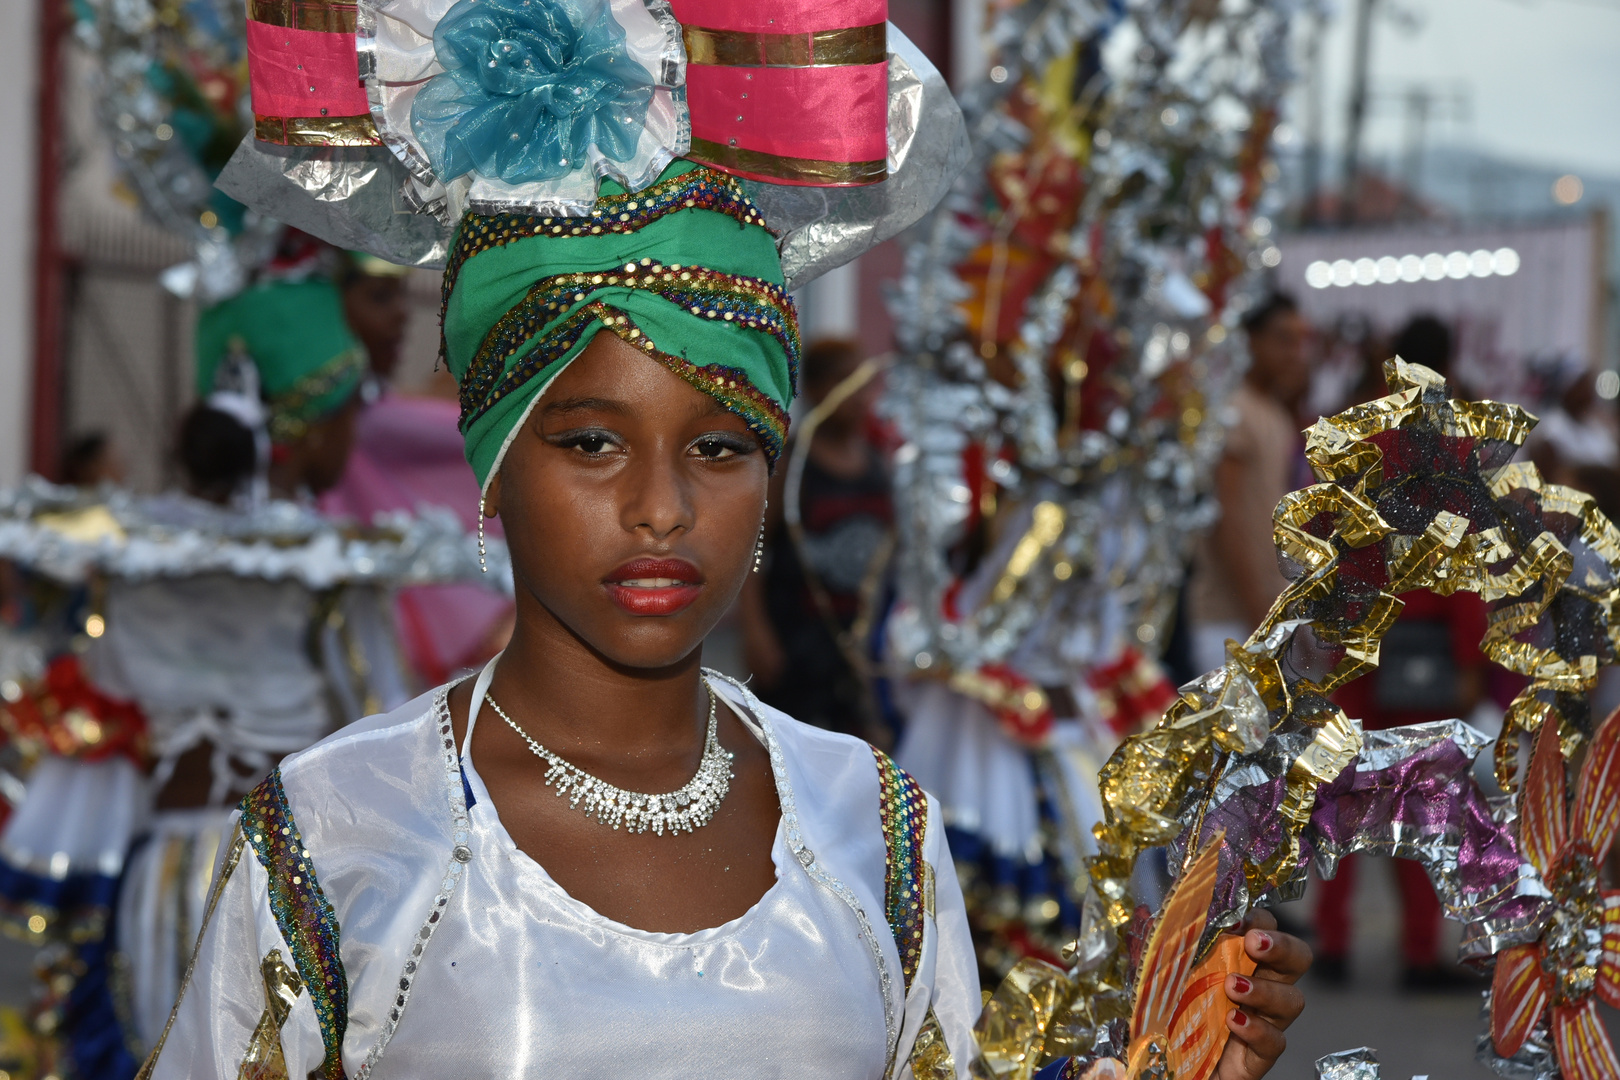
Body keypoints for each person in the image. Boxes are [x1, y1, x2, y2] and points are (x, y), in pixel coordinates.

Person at [138, 154, 1306, 1077]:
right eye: (591, 443)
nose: (660, 508)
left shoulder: (873, 824)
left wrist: (1178, 1056)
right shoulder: (345, 825)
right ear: (493, 466)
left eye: (719, 446)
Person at [1313, 312, 1490, 991]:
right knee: (1420, 802)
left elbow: (1326, 536)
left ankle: (1333, 942)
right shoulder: (1448, 446)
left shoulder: (1356, 433)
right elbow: (1460, 558)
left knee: (1344, 795)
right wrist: (1470, 660)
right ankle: (1418, 953)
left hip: (1355, 641)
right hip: (1422, 650)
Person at [321, 252, 516, 685]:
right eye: (379, 297)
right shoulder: (345, 430)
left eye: (401, 297)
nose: (402, 315)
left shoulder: (385, 418)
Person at [739, 339, 892, 740]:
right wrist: (756, 630)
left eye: (865, 384)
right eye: (846, 381)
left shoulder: (880, 465)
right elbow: (752, 549)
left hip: (860, 646)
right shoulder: (792, 465)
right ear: (820, 388)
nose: (859, 396)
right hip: (798, 644)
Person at [1186, 293, 1311, 672]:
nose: (1293, 353)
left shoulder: (1272, 412)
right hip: (1230, 618)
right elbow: (1224, 518)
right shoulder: (1235, 410)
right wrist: (1258, 609)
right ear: (1250, 342)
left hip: (1264, 613)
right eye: (1282, 339)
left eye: (1299, 341)